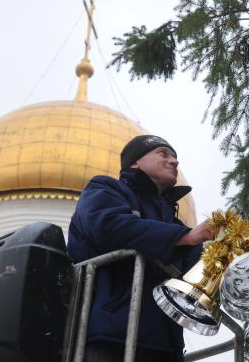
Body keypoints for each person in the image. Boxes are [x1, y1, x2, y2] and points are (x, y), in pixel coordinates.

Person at [67, 135, 214, 362]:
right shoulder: (104, 189)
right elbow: (109, 227)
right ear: (135, 163)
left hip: (165, 348)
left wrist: (231, 254)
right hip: (110, 338)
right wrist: (185, 237)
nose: (174, 162)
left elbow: (198, 272)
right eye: (163, 154)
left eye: (175, 157)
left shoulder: (173, 225)